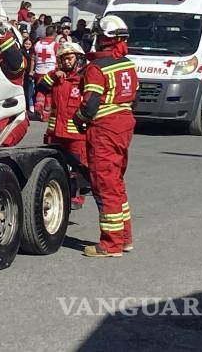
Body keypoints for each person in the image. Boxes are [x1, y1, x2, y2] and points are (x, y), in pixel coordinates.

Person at [74, 15, 138, 258]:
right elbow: (135, 98)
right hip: (124, 125)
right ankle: (125, 238)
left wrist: (78, 118)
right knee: (117, 184)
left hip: (104, 129)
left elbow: (90, 105)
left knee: (105, 185)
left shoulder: (97, 68)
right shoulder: (128, 64)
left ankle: (111, 244)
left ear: (103, 39)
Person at [38, 42, 88, 209]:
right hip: (55, 132)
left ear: (78, 59)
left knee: (79, 167)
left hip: (76, 135)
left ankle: (76, 197)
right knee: (53, 167)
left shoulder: (84, 78)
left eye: (70, 58)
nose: (67, 62)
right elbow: (41, 87)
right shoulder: (56, 77)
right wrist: (52, 76)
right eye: (64, 59)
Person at [33, 25, 60, 121]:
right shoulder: (55, 45)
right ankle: (46, 115)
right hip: (50, 71)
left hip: (39, 70)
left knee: (40, 90)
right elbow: (59, 57)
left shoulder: (37, 44)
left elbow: (33, 57)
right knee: (49, 93)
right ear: (54, 34)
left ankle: (38, 107)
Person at [22, 37, 36, 112]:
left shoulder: (32, 53)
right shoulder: (21, 51)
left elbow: (33, 62)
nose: (27, 45)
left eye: (29, 44)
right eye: (26, 43)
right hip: (24, 73)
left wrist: (33, 71)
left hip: (30, 74)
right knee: (24, 90)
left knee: (30, 90)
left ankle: (30, 105)